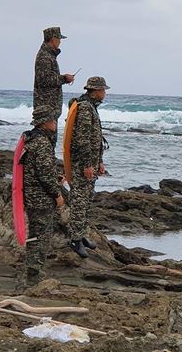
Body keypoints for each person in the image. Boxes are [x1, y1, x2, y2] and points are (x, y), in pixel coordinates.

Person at [21, 105, 66, 287]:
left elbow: (34, 169)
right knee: (41, 236)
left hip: (32, 195)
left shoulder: (31, 140)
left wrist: (56, 177)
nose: (55, 123)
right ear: (45, 123)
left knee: (35, 234)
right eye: (52, 120)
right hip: (41, 197)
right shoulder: (42, 143)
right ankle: (35, 274)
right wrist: (57, 194)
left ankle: (33, 271)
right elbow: (44, 174)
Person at [66, 77, 109, 258]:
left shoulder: (91, 107)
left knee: (87, 199)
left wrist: (99, 161)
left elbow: (95, 139)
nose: (105, 93)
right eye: (103, 90)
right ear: (95, 91)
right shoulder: (85, 108)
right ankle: (75, 240)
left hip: (90, 162)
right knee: (79, 201)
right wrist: (86, 165)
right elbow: (82, 140)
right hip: (81, 164)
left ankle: (81, 234)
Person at [33, 26, 75, 145]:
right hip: (46, 108)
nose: (60, 42)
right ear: (52, 39)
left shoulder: (49, 55)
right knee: (46, 141)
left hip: (49, 107)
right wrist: (64, 78)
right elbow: (44, 80)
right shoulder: (45, 57)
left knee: (49, 141)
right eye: (59, 39)